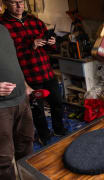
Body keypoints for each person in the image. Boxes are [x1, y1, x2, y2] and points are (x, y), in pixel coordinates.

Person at [0, 0, 67, 146]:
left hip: (46, 71)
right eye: (14, 2)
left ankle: (59, 129)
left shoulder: (35, 21)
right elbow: (7, 55)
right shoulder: (3, 25)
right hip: (27, 75)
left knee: (57, 102)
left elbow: (52, 49)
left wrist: (51, 42)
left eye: (21, 1)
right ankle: (44, 136)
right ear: (5, 3)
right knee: (37, 109)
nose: (19, 6)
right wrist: (31, 45)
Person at [0, 4, 34, 179]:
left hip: (21, 99)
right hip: (2, 107)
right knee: (4, 159)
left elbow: (13, 61)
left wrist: (25, 83)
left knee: (26, 146)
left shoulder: (3, 30)